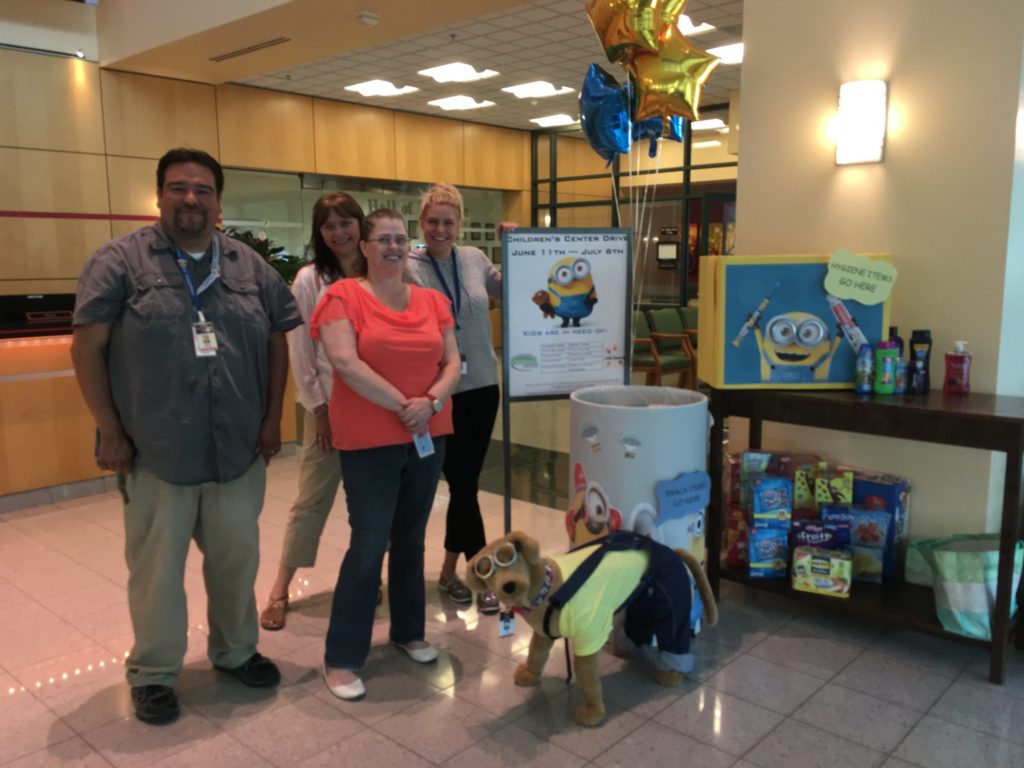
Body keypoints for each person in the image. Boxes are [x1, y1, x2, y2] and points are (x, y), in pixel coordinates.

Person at [70, 148, 302, 725]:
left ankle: (235, 651)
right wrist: (109, 430)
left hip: (237, 451)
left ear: (219, 201)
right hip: (156, 451)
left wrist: (273, 419)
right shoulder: (117, 263)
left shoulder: (251, 268)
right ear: (159, 196)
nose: (191, 199)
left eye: (202, 189)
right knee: (155, 571)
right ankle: (152, 673)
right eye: (178, 188)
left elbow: (278, 341)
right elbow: (87, 347)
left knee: (235, 561)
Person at [310, 208, 461, 701]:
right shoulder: (342, 296)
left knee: (412, 537)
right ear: (366, 247)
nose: (393, 247)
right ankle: (342, 656)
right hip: (369, 441)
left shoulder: (433, 300)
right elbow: (344, 362)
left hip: (428, 435)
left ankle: (408, 631)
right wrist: (406, 406)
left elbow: (454, 359)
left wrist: (431, 402)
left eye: (400, 239)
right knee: (370, 542)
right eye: (383, 240)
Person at [259, 193, 366, 631]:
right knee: (311, 501)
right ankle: (280, 589)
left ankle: (365, 580)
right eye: (330, 226)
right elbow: (300, 349)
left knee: (371, 506)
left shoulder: (380, 270)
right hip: (330, 407)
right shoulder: (308, 279)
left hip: (376, 410)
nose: (340, 233)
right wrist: (319, 410)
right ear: (319, 233)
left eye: (347, 223)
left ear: (361, 224)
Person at [407, 184, 502, 614]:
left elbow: (512, 288)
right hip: (438, 392)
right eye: (432, 221)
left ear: (459, 224)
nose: (439, 229)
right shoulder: (409, 266)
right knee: (463, 485)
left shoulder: (474, 260)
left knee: (466, 486)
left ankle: (449, 573)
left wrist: (517, 246)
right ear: (420, 224)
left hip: (482, 384)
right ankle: (483, 577)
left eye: (448, 221)